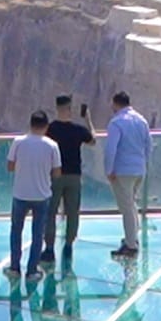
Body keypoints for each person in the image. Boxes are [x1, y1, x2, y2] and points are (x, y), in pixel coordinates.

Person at [40, 95, 95, 271]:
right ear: (70, 109)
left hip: (55, 175)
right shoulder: (78, 130)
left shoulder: (50, 129)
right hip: (74, 177)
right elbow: (93, 140)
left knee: (50, 212)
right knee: (72, 212)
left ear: (57, 108)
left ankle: (49, 248)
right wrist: (88, 120)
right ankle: (69, 245)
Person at [5, 110, 61, 282]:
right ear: (46, 126)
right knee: (38, 234)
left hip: (20, 194)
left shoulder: (18, 142)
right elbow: (57, 172)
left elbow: (10, 166)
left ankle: (14, 267)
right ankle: (32, 271)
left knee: (16, 231)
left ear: (30, 124)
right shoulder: (52, 145)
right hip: (42, 195)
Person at [103, 91, 152, 259]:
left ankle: (130, 245)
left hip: (123, 171)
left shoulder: (116, 123)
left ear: (116, 104)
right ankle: (132, 238)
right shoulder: (142, 120)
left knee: (126, 208)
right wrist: (144, 165)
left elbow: (111, 149)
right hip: (139, 170)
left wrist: (109, 170)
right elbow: (148, 146)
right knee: (132, 205)